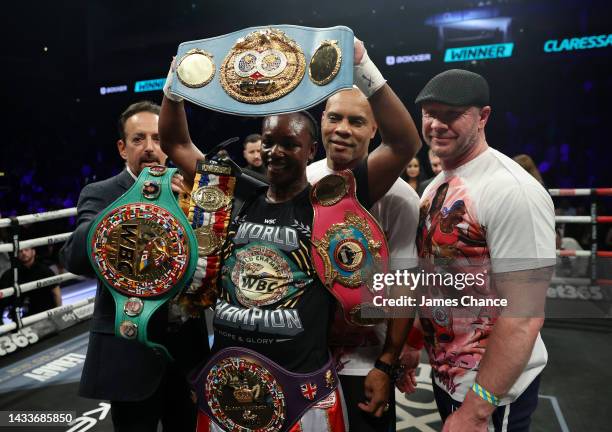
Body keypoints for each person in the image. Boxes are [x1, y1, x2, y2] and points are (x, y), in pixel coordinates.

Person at [160, 37, 421, 430]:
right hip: (229, 384)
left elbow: (404, 143)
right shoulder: (237, 193)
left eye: (289, 144)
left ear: (311, 149)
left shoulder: (330, 203)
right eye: (268, 142)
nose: (274, 152)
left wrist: (365, 66)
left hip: (302, 392)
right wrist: (174, 84)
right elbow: (177, 143)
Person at [414, 69, 555, 432]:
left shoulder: (511, 190)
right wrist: (413, 343)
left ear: (483, 117)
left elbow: (523, 315)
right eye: (430, 113)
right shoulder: (435, 189)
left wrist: (478, 409)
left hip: (491, 392)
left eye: (451, 114)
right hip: (449, 376)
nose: (436, 124)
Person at [60, 101, 209, 432]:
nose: (150, 148)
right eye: (138, 139)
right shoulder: (100, 193)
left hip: (187, 351)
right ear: (122, 148)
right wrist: (137, 201)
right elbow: (75, 258)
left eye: (158, 138)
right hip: (129, 354)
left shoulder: (193, 190)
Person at [306, 87, 420, 432]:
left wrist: (386, 364)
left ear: (374, 130)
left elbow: (403, 284)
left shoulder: (400, 199)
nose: (342, 129)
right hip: (302, 358)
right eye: (334, 117)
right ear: (322, 121)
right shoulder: (300, 182)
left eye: (356, 121)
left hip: (363, 361)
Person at [0, 246, 61, 320]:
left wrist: (59, 314)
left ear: (33, 252)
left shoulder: (44, 270)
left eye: (26, 250)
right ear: (17, 255)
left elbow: (56, 293)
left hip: (46, 314)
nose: (23, 253)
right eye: (20, 251)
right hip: (25, 316)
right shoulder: (10, 274)